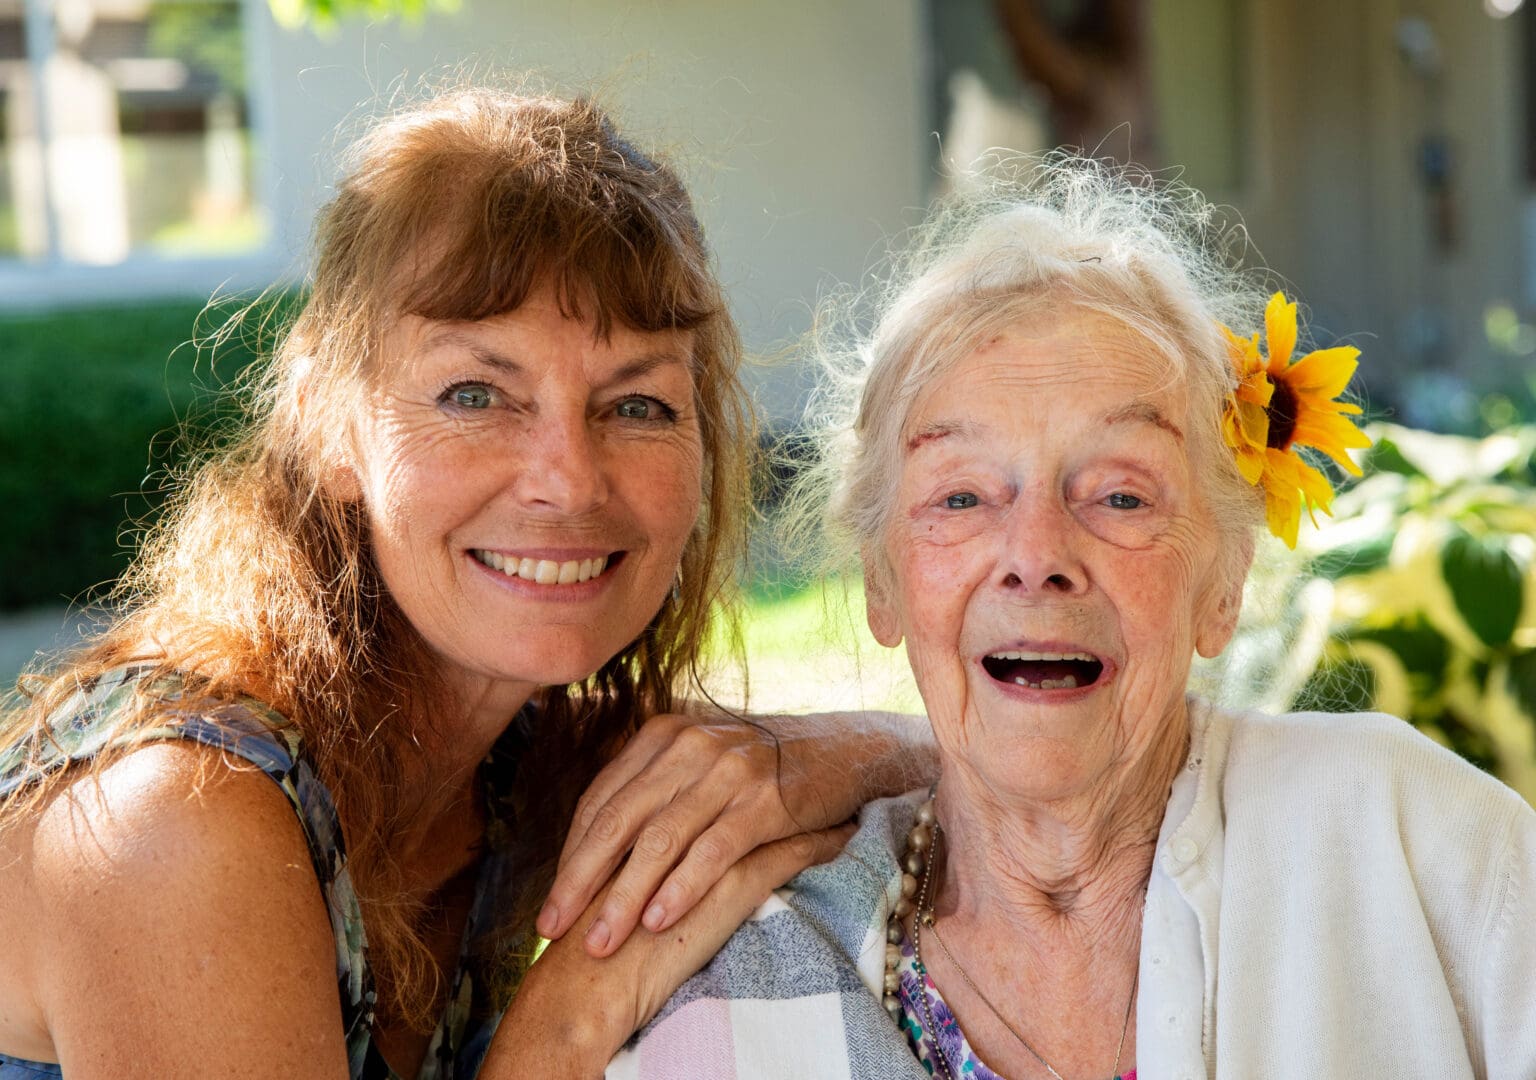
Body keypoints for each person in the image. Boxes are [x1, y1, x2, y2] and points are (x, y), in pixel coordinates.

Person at [0, 87, 932, 1080]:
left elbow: (922, 768)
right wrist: (570, 1016)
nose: (569, 479)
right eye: (475, 394)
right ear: (327, 420)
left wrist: (831, 752)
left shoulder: (525, 758)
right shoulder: (175, 823)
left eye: (638, 405)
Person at [615, 159, 1536, 1079]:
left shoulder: (1419, 848)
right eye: (964, 496)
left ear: (1225, 583)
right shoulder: (746, 991)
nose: (1037, 552)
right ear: (882, 583)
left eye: (1122, 496)